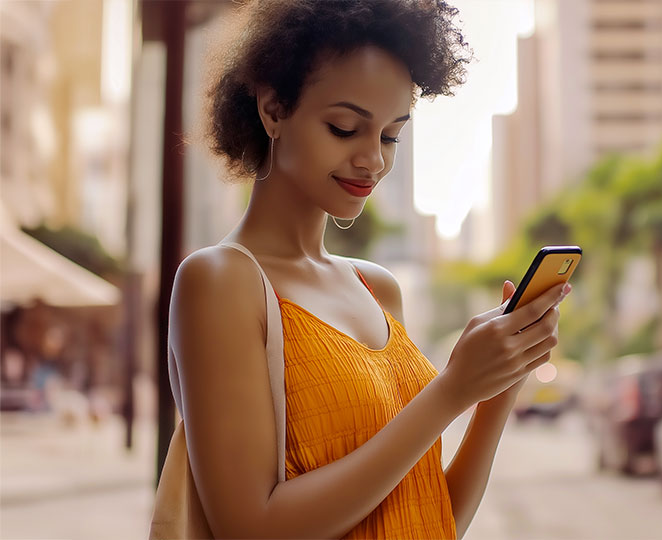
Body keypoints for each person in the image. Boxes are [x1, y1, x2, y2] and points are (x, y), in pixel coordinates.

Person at [168, 0, 572, 538]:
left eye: (390, 136)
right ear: (272, 109)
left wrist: (496, 389)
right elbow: (250, 528)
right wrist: (450, 391)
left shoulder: (376, 288)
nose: (373, 160)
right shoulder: (220, 281)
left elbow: (428, 518)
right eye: (344, 128)